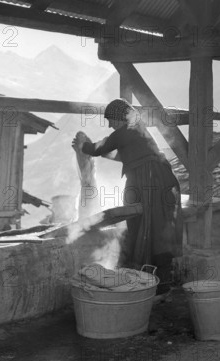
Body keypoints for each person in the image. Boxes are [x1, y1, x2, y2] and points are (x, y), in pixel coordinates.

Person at [72, 98, 183, 295]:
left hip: (148, 181)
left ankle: (150, 279)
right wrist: (92, 149)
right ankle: (159, 280)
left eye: (111, 120)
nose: (110, 125)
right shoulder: (136, 130)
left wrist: (84, 147)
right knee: (156, 225)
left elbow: (102, 147)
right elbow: (120, 154)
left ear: (119, 117)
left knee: (147, 224)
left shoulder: (127, 130)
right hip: (156, 180)